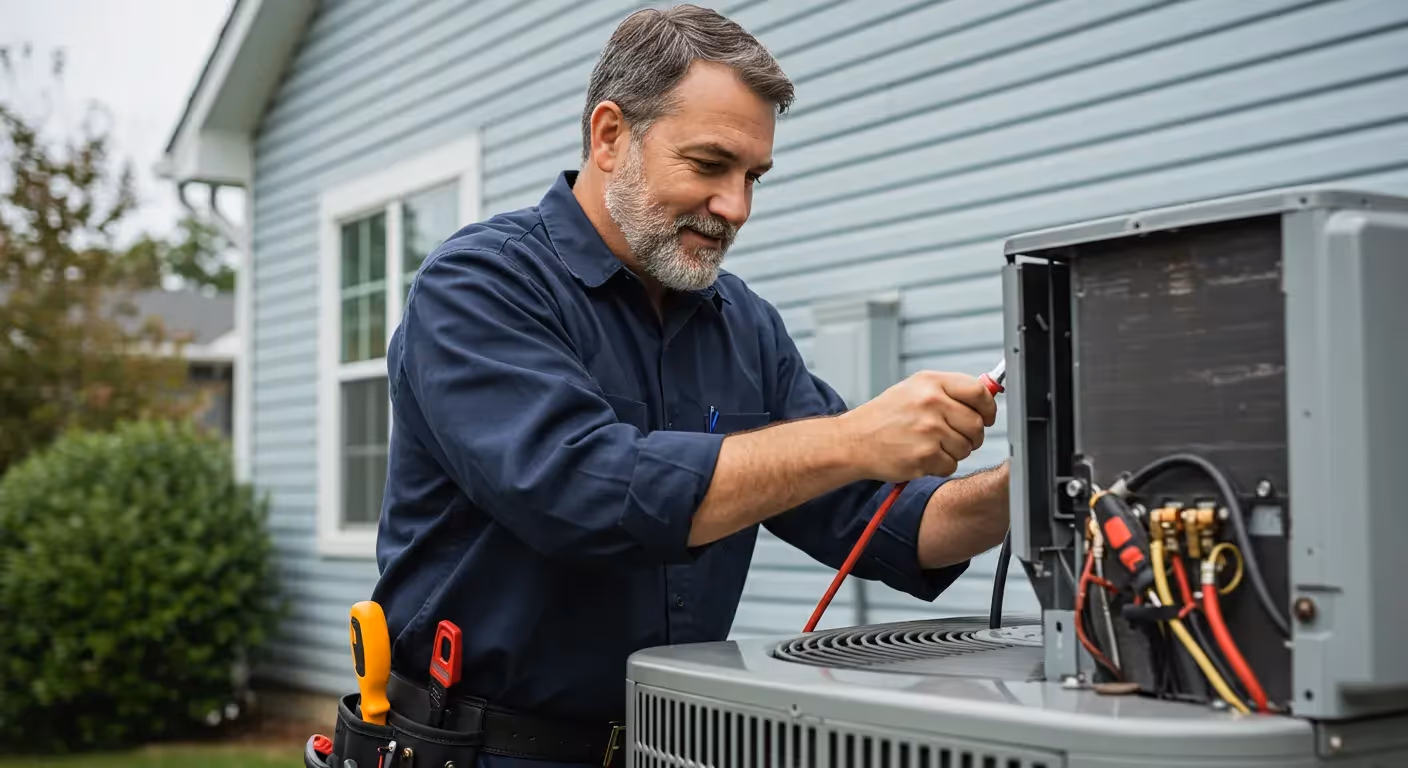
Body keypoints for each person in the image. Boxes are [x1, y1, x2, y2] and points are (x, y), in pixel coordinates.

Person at [369, 4, 1009, 766]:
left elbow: (881, 521)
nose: (735, 207)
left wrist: (1041, 482)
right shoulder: (480, 284)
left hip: (675, 748)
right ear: (611, 136)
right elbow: (579, 491)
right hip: (475, 749)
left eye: (753, 177)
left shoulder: (745, 324)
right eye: (709, 166)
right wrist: (851, 438)